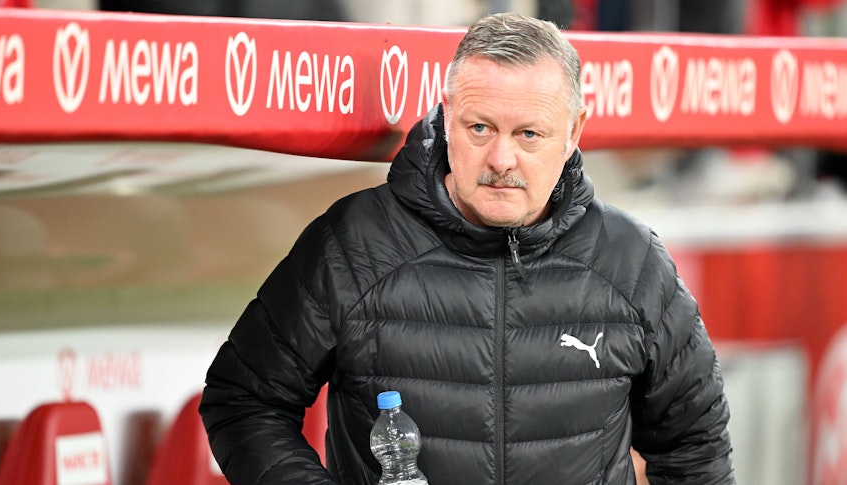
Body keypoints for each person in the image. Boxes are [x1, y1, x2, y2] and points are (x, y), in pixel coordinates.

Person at [199, 12, 735, 485]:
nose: (502, 157)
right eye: (480, 128)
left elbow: (696, 447)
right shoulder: (354, 243)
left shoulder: (632, 260)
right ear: (445, 116)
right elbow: (243, 400)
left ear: (574, 132)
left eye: (529, 134)